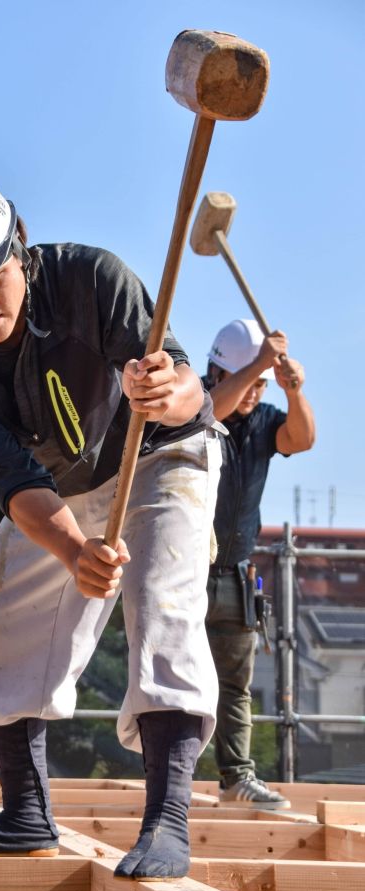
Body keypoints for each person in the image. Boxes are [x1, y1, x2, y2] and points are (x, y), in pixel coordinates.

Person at [0, 161, 223, 879]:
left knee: (161, 604)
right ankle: (25, 814)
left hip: (162, 456)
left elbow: (190, 395)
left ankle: (166, 820)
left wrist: (163, 391)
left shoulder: (90, 278)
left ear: (19, 244)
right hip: (63, 493)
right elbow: (15, 485)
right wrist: (74, 551)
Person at [204, 319, 315, 808]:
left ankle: (236, 778)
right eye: (248, 379)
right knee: (167, 680)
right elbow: (213, 410)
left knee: (234, 685)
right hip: (181, 569)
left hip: (235, 573)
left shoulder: (266, 420)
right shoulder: (194, 405)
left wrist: (293, 392)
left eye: (261, 384)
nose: (254, 391)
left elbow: (302, 438)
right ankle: (165, 779)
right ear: (217, 370)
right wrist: (257, 366)